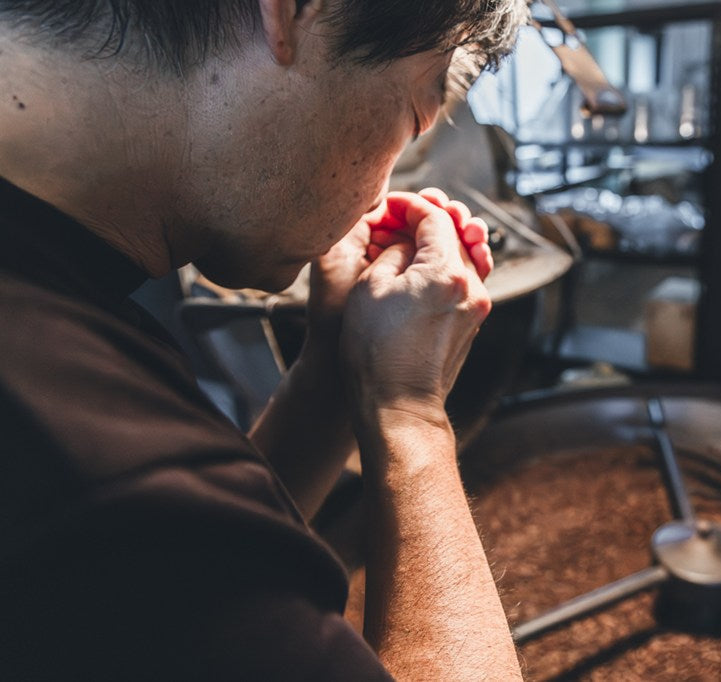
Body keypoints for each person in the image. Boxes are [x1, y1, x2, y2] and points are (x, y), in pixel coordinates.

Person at [0, 0, 528, 679]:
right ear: (299, 12)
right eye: (414, 119)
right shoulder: (94, 455)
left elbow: (190, 581)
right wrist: (410, 412)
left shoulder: (62, 315)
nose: (378, 200)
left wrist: (335, 381)